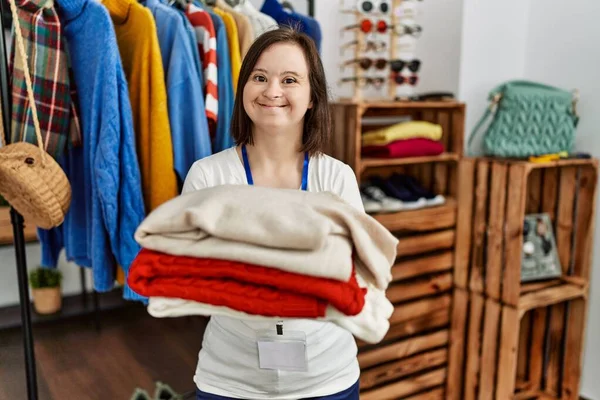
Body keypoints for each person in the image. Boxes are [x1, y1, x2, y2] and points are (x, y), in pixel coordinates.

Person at [182, 27, 364, 400]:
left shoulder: (336, 177)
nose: (272, 91)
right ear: (244, 87)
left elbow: (357, 275)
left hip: (327, 378)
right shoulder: (208, 175)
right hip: (230, 379)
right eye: (260, 77)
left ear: (312, 96)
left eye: (290, 79)